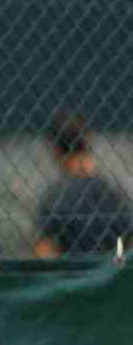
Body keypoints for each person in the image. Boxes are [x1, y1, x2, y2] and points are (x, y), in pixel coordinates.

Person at [34, 109, 132, 258]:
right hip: (112, 275)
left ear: (54, 149)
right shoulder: (115, 192)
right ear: (88, 139)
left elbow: (44, 252)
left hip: (73, 277)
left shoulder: (54, 199)